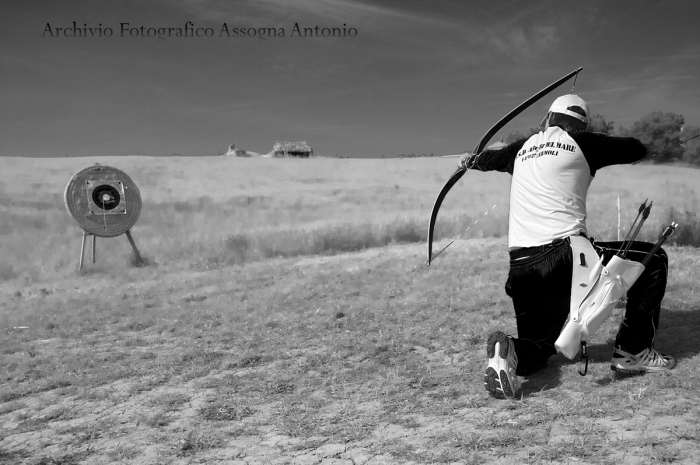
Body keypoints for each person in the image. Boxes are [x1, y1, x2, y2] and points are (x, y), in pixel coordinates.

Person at [459, 94, 676, 400]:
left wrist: (470, 160)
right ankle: (633, 351)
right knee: (653, 260)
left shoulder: (519, 148)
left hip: (521, 266)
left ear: (547, 119)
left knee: (540, 346)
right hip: (566, 256)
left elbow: (487, 161)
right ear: (581, 126)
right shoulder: (583, 142)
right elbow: (635, 148)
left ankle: (506, 352)